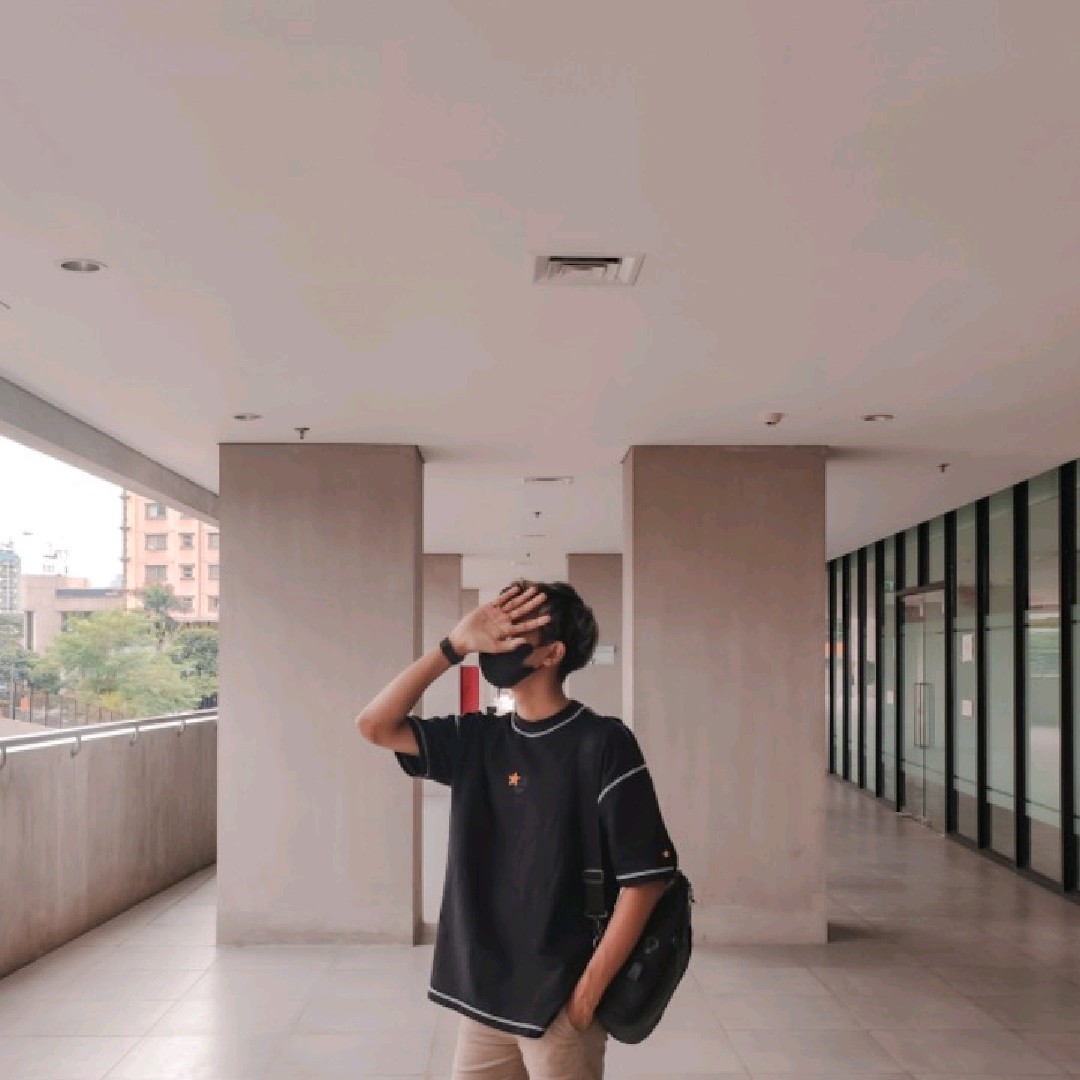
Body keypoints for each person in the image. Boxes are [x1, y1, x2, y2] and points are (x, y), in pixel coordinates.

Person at [356, 582, 678, 1080]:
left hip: (559, 1005)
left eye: (514, 632)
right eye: (497, 627)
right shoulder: (478, 739)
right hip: (485, 1003)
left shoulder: (603, 744)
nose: (496, 641)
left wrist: (581, 1003)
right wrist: (452, 646)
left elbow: (646, 879)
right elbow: (375, 725)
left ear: (552, 653)